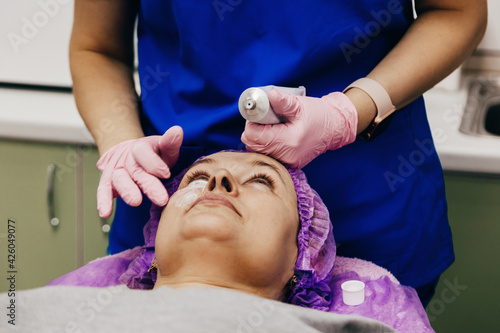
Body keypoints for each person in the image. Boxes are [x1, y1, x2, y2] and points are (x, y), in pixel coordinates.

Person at [69, 0, 488, 306]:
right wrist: (120, 139)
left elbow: (457, 11)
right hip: (166, 187)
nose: (222, 180)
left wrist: (350, 110)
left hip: (366, 194)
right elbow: (96, 47)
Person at [43, 150, 432, 332]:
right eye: (196, 178)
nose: (217, 182)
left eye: (262, 181)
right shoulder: (67, 313)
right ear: (152, 254)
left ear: (301, 260)